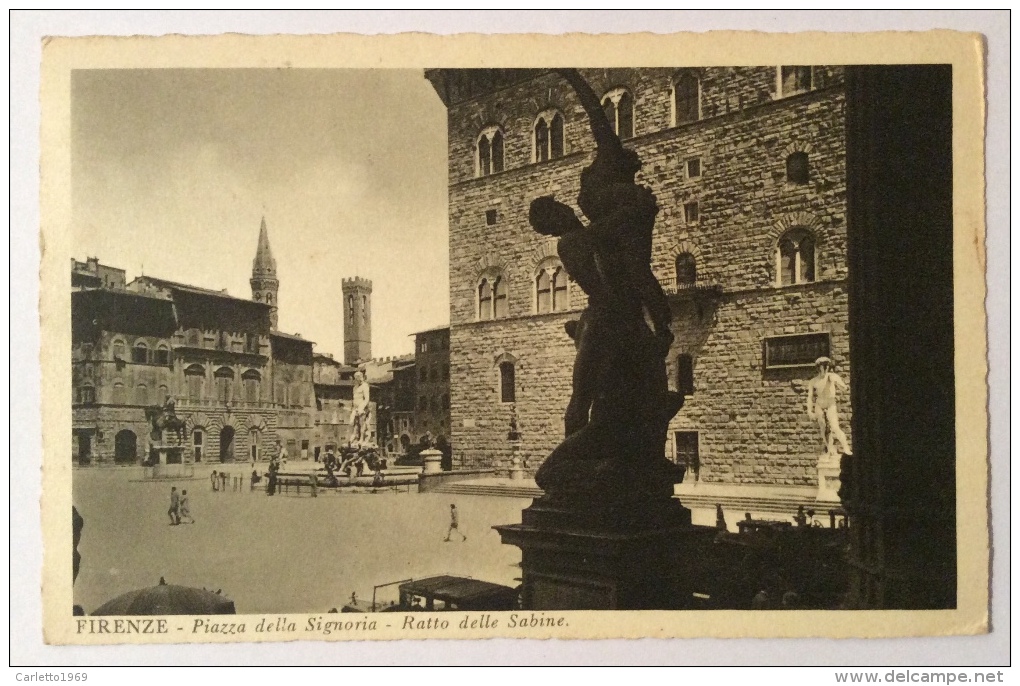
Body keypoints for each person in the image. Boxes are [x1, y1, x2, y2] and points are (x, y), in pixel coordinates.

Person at [806, 356, 852, 456]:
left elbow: (842, 386)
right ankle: (829, 448)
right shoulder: (814, 381)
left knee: (835, 427)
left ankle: (846, 448)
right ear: (819, 367)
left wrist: (844, 387)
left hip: (830, 403)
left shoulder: (832, 376)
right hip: (820, 404)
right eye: (823, 365)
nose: (826, 367)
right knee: (823, 428)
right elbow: (810, 397)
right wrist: (809, 410)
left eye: (827, 365)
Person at [349, 371, 371, 445]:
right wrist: (353, 408)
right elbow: (354, 398)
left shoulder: (365, 386)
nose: (357, 379)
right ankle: (355, 437)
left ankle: (362, 438)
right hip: (355, 408)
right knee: (355, 423)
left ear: (361, 377)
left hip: (362, 408)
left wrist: (361, 407)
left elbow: (367, 398)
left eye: (358, 378)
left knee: (362, 423)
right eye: (356, 378)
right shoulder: (355, 387)